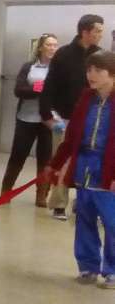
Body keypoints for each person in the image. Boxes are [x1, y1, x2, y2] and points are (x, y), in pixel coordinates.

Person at [43, 51, 115, 287]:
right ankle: (88, 267)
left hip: (108, 168)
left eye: (98, 70)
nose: (91, 75)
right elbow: (72, 136)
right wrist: (55, 164)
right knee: (84, 217)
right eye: (89, 70)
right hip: (84, 166)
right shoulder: (86, 97)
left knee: (112, 221)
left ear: (112, 74)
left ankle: (112, 270)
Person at [41, 14, 105, 220]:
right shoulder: (64, 54)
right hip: (64, 117)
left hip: (92, 117)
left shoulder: (101, 56)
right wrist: (47, 115)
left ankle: (84, 201)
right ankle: (59, 204)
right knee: (63, 160)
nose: (100, 34)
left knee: (89, 160)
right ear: (85, 31)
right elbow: (49, 86)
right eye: (97, 30)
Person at [2, 33, 57, 204]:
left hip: (49, 121)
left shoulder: (59, 68)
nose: (52, 48)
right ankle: (6, 191)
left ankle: (41, 195)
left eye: (55, 45)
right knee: (18, 156)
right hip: (26, 118)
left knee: (45, 159)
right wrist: (40, 88)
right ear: (40, 47)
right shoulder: (29, 66)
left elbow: (62, 93)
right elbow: (19, 90)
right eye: (48, 44)